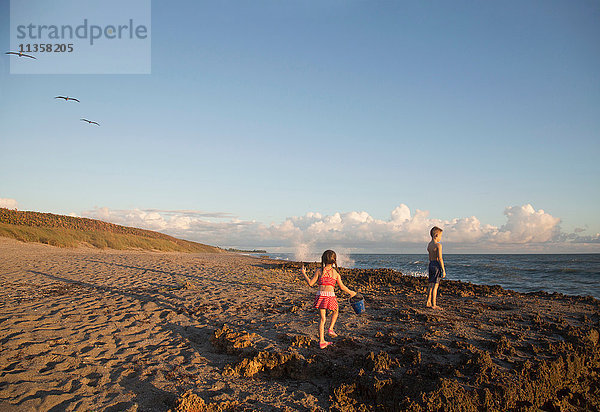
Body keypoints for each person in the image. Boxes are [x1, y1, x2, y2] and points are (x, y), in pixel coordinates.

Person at [302, 250, 357, 349]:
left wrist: (304, 273)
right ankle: (331, 328)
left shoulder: (319, 271)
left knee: (322, 319)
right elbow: (342, 287)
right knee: (336, 311)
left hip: (320, 296)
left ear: (323, 259)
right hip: (330, 296)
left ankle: (322, 341)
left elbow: (310, 283)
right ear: (334, 260)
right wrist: (352, 292)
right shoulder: (335, 272)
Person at [426, 226, 446, 309]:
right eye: (440, 236)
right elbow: (440, 258)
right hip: (436, 265)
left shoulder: (429, 245)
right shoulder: (438, 245)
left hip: (430, 264)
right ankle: (434, 304)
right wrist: (443, 270)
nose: (441, 238)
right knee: (435, 285)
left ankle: (428, 301)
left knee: (430, 284)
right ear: (436, 235)